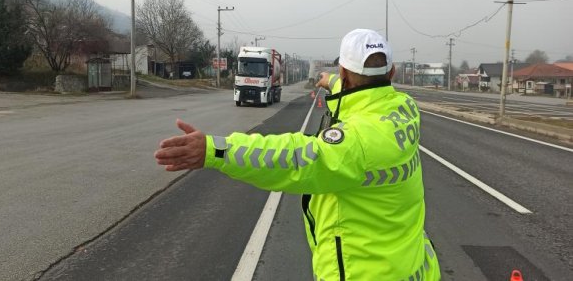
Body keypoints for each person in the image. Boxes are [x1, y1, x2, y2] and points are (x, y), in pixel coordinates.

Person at [154, 29, 441, 280]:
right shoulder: (404, 108)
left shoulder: (356, 141)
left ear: (345, 72)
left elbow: (291, 156)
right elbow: (365, 90)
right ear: (391, 73)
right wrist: (329, 80)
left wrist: (214, 150)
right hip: (415, 268)